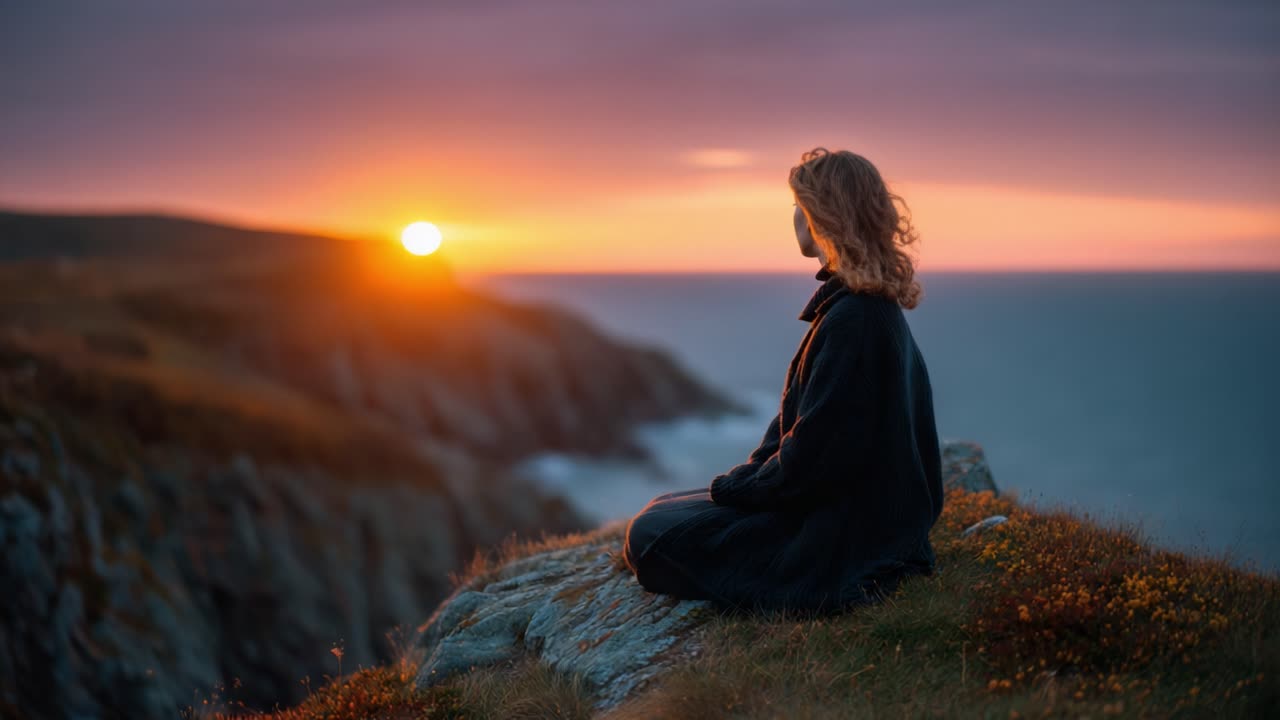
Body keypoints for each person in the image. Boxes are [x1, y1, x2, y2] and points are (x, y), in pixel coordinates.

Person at [621, 147, 944, 615]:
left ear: (823, 217)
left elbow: (813, 458)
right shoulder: (860, 307)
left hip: (841, 538)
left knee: (650, 534)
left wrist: (741, 490)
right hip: (847, 514)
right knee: (664, 506)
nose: (793, 214)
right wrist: (748, 479)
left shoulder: (855, 319)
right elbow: (799, 430)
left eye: (800, 204)